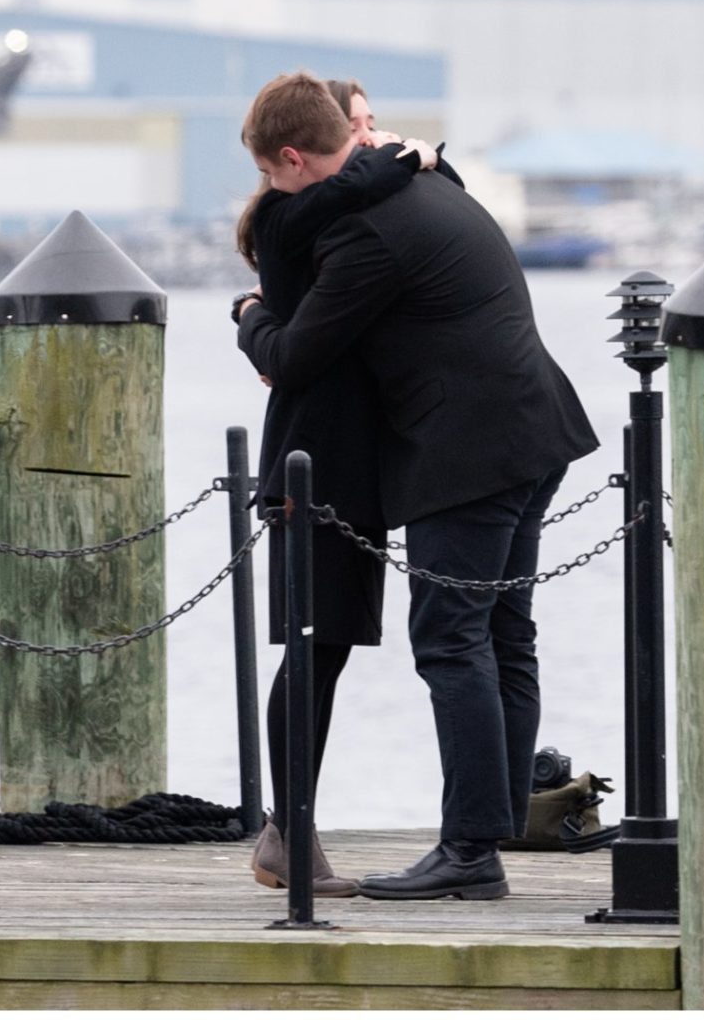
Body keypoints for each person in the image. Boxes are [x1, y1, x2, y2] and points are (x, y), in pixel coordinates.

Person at [234, 82, 598, 905]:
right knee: (504, 631)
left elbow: (293, 356)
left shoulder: (366, 235)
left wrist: (249, 314)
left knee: (449, 639)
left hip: (466, 451)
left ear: (292, 159)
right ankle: (491, 825)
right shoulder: (428, 186)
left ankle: (470, 851)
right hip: (536, 427)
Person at [231, 73, 442, 898]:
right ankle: (291, 832)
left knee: (331, 645)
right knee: (313, 647)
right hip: (311, 464)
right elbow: (364, 179)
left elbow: (361, 179)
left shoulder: (312, 203)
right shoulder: (289, 214)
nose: (368, 142)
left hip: (339, 463)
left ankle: (291, 831)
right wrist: (411, 156)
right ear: (294, 155)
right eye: (356, 129)